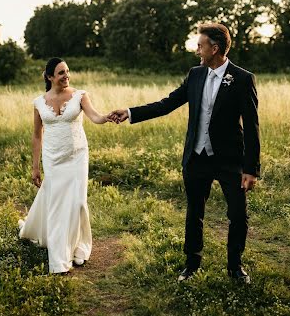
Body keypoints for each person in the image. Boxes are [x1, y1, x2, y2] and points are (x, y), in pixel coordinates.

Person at [109, 23, 260, 284]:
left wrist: (251, 168)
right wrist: (131, 112)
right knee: (194, 213)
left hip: (229, 160)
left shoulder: (242, 78)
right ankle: (191, 264)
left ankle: (235, 267)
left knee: (237, 213)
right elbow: (168, 103)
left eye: (200, 46)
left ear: (215, 48)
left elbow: (252, 125)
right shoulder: (195, 74)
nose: (196, 50)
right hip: (197, 157)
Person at [19, 57, 112, 275]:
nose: (66, 76)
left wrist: (108, 117)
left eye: (67, 71)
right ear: (49, 77)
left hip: (77, 156)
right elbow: (36, 136)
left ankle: (79, 247)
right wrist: (35, 167)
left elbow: (95, 117)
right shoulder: (39, 103)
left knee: (78, 202)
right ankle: (60, 259)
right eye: (61, 73)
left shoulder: (80, 95)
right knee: (57, 205)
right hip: (53, 159)